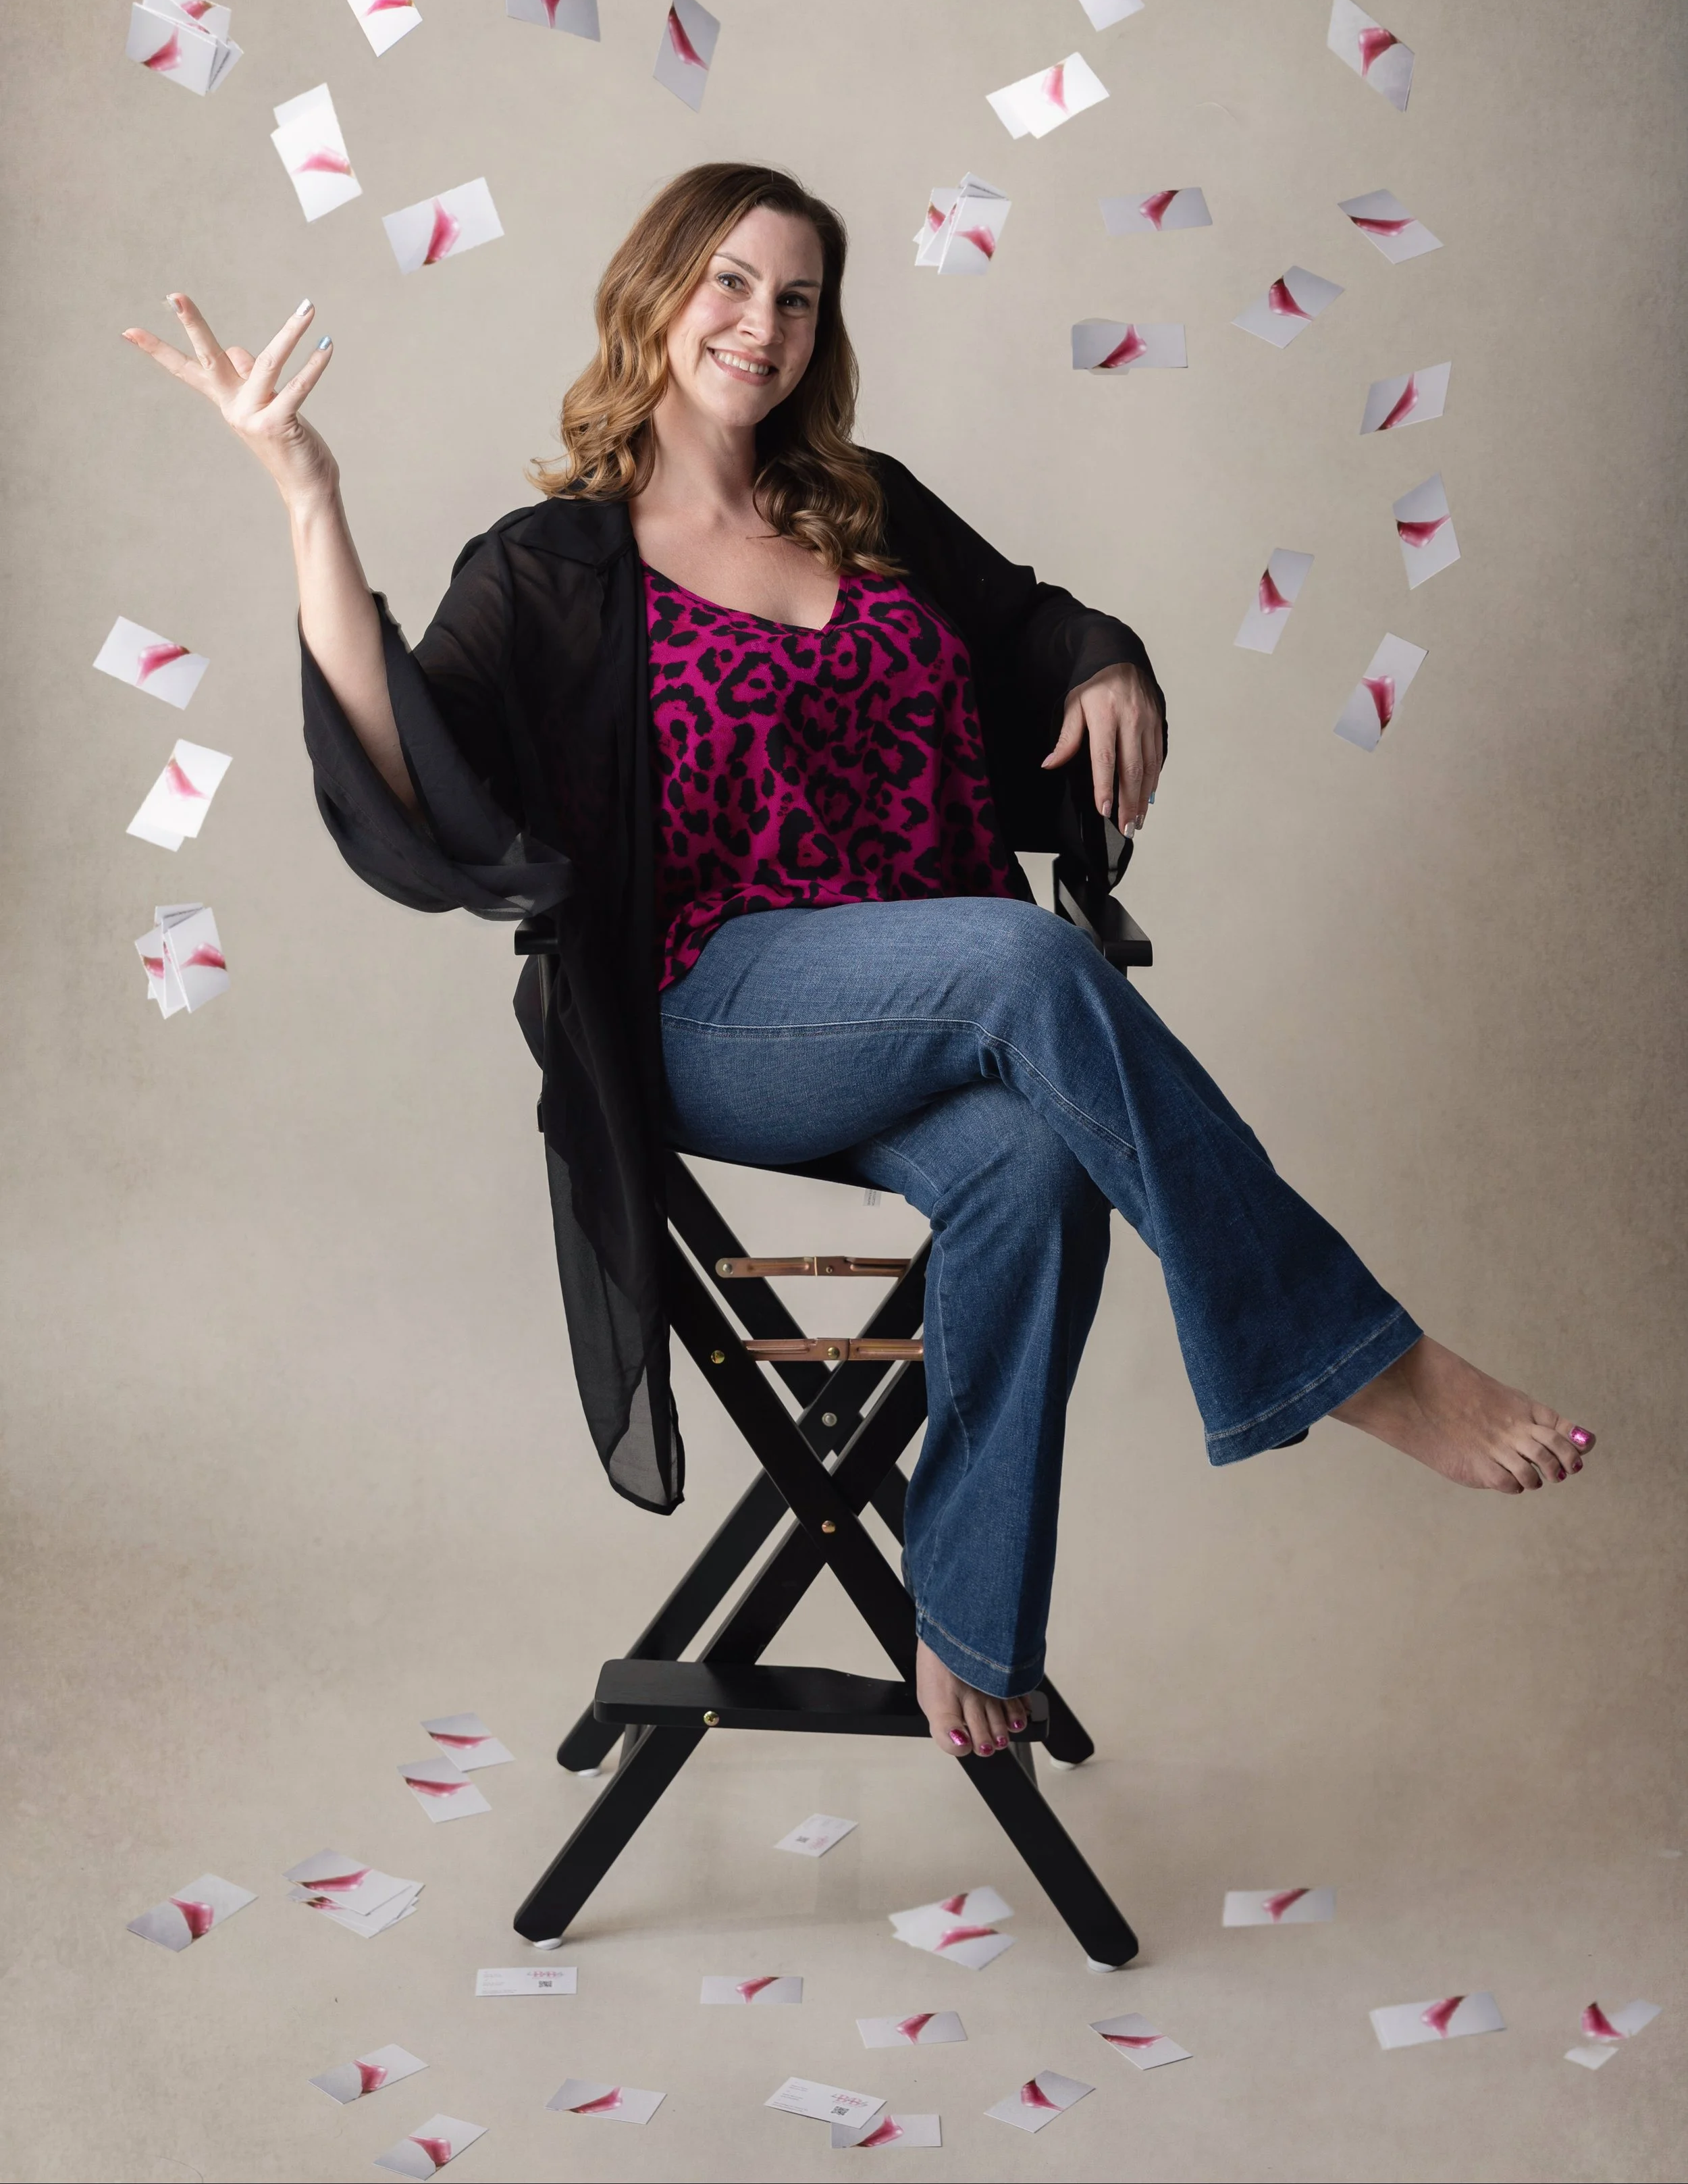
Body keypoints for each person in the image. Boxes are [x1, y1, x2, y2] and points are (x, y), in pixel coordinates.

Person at [124, 161, 1596, 1763]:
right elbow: (398, 761)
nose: (761, 323)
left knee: (1034, 1170)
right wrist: (304, 496)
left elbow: (1030, 621)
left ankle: (963, 1622)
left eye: (798, 295)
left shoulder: (862, 504)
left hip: (918, 1001)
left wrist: (1102, 661)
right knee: (1026, 966)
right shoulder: (552, 567)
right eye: (729, 283)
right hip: (708, 1003)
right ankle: (1347, 1362)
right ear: (655, 295)